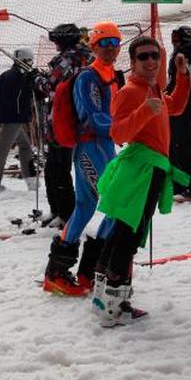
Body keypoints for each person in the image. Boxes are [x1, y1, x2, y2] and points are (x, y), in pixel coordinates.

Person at [92, 38, 190, 325]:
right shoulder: (130, 91)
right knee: (128, 235)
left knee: (124, 232)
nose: (150, 62)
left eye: (155, 56)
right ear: (133, 62)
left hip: (150, 168)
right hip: (140, 170)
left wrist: (182, 76)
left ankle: (104, 300)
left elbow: (176, 107)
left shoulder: (152, 88)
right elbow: (118, 133)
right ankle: (113, 307)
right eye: (143, 57)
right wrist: (145, 110)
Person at [42, 21, 124, 296]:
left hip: (104, 145)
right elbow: (92, 115)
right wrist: (123, 125)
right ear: (94, 45)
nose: (111, 49)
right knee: (116, 203)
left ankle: (82, 272)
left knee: (87, 206)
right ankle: (84, 270)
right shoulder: (90, 76)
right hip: (91, 146)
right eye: (105, 43)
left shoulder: (109, 73)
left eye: (115, 43)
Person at [37, 23, 92, 227]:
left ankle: (65, 213)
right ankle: (58, 210)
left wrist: (36, 80)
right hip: (78, 120)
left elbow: (50, 85)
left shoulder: (68, 60)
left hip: (62, 120)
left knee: (58, 170)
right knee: (55, 168)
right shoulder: (89, 57)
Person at [0, 48, 39, 194]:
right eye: (29, 61)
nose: (31, 64)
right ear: (24, 60)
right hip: (14, 118)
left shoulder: (6, 74)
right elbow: (31, 93)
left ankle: (31, 181)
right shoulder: (21, 76)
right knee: (3, 150)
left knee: (25, 145)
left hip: (9, 116)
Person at [167, 26, 191, 199]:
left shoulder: (183, 56)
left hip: (183, 109)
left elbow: (177, 82)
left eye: (176, 39)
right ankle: (185, 182)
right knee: (181, 147)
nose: (174, 43)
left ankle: (187, 183)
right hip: (187, 107)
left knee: (181, 147)